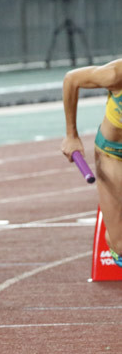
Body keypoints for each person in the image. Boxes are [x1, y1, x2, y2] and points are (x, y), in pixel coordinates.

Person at [62, 59, 122, 267]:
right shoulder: (115, 74)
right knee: (120, 244)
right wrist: (71, 135)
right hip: (113, 155)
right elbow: (72, 79)